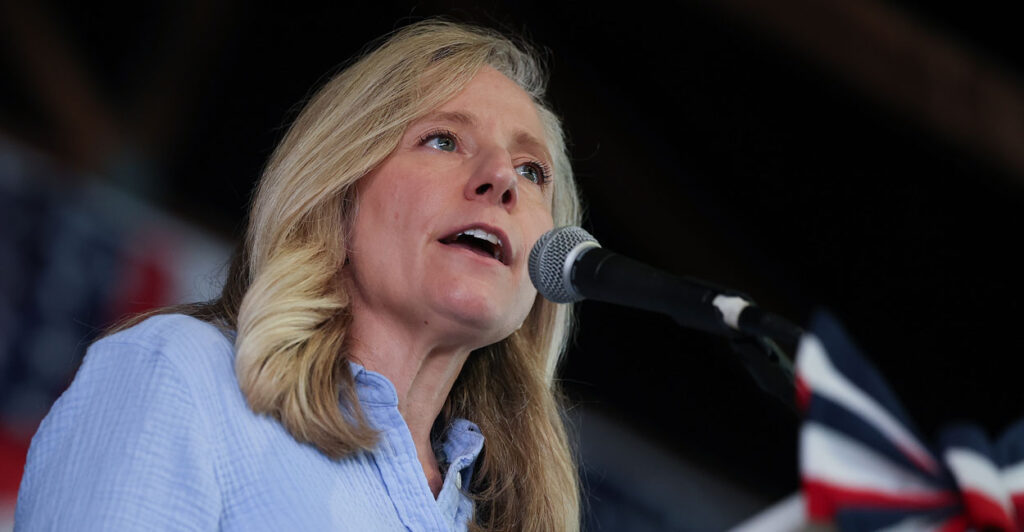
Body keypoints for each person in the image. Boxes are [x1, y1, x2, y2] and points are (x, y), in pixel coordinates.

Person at [15, 19, 582, 531]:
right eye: (443, 139)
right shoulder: (186, 376)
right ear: (336, 190)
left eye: (533, 172)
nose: (502, 180)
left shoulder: (499, 516)